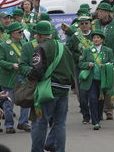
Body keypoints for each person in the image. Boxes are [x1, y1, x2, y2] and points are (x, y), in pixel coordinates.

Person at [28, 21, 75, 152]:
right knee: (60, 124)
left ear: (39, 35)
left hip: (47, 90)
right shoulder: (62, 46)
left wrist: (29, 77)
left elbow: (37, 71)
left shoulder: (40, 47)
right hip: (63, 90)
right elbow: (72, 66)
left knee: (41, 123)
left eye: (36, 34)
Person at [91, 3, 114, 120]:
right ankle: (98, 110)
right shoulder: (94, 24)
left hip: (111, 61)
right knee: (97, 87)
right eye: (98, 11)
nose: (99, 13)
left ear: (107, 13)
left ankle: (109, 109)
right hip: (95, 61)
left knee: (109, 87)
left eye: (101, 11)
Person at [0, 22, 30, 134]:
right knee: (8, 103)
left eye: (22, 31)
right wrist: (11, 65)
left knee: (26, 100)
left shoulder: (24, 44)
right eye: (19, 32)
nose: (21, 33)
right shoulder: (3, 45)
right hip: (9, 78)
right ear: (12, 34)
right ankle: (9, 125)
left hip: (23, 77)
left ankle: (23, 123)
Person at [79, 29, 114, 130]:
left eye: (98, 38)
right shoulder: (87, 50)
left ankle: (98, 117)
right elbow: (81, 64)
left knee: (100, 100)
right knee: (92, 99)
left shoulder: (108, 50)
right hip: (91, 79)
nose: (96, 39)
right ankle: (95, 122)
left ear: (102, 39)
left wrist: (105, 65)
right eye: (94, 38)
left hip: (103, 79)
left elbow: (112, 63)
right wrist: (87, 64)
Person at [65, 14, 93, 124]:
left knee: (95, 92)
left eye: (86, 23)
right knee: (82, 92)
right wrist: (77, 56)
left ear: (90, 24)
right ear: (79, 25)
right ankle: (86, 115)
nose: (85, 25)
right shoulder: (75, 37)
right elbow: (68, 50)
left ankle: (96, 113)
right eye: (82, 23)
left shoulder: (95, 35)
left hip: (94, 66)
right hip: (79, 67)